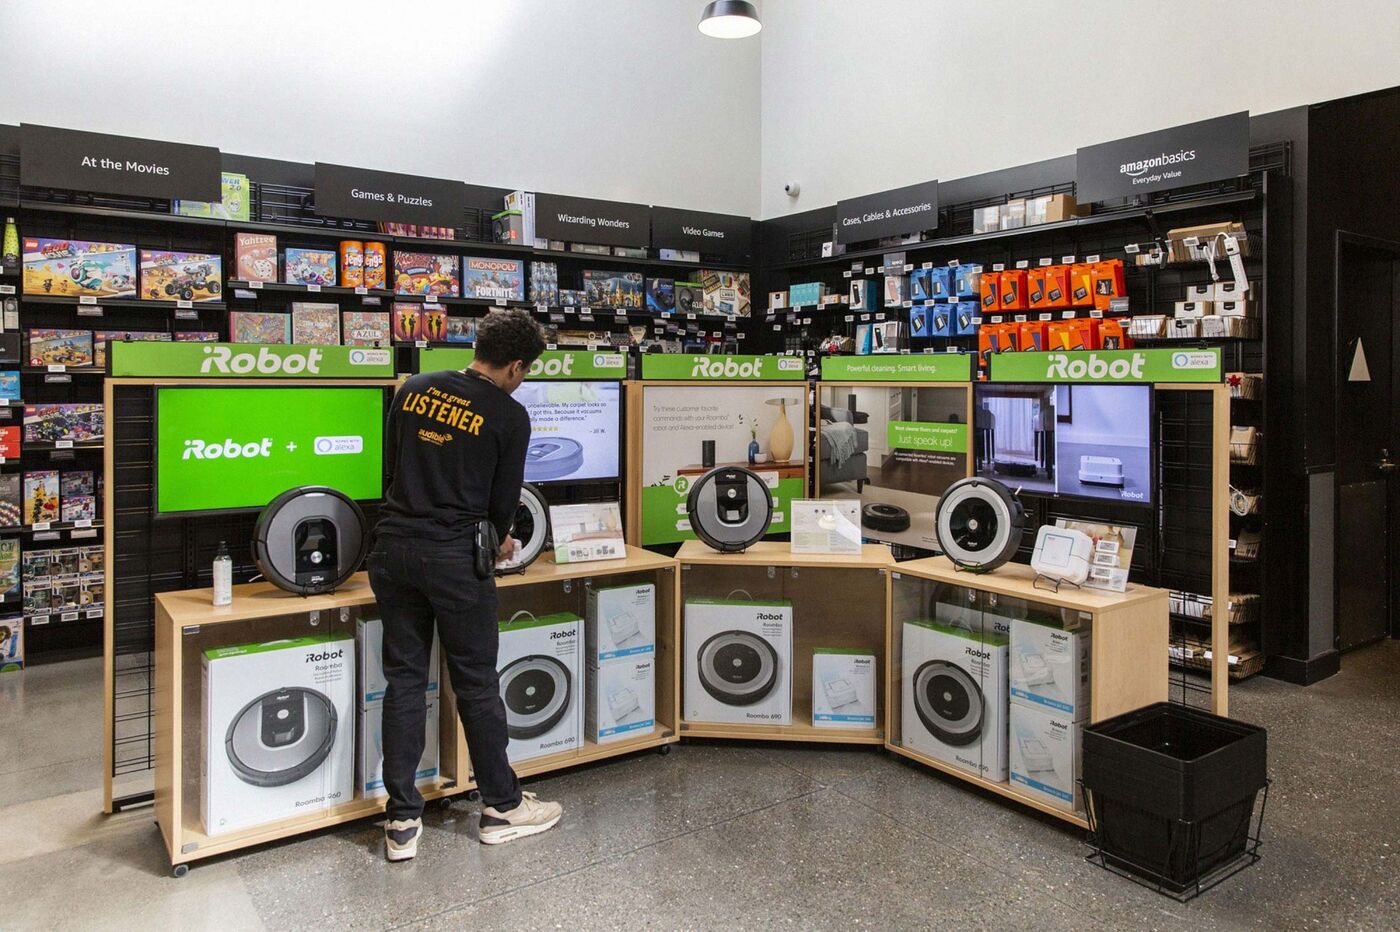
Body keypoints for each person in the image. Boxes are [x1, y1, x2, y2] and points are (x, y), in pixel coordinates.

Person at [368, 308, 561, 862]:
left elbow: (394, 468)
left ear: (478, 344)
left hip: (393, 550)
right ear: (517, 366)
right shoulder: (509, 414)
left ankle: (402, 819)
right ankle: (502, 806)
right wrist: (499, 539)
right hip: (455, 560)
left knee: (404, 679)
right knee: (475, 683)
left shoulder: (414, 388)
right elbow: (502, 509)